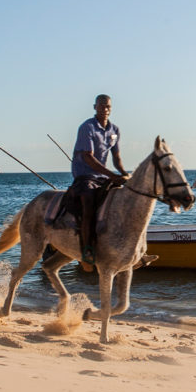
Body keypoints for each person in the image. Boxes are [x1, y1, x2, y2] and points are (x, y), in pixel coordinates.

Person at [68, 94, 126, 270]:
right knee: (89, 206)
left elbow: (116, 157)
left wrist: (124, 174)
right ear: (95, 107)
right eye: (101, 106)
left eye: (108, 106)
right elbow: (88, 157)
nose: (105, 109)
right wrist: (111, 175)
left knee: (126, 200)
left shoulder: (114, 130)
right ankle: (87, 250)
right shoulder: (87, 128)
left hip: (103, 177)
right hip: (85, 176)